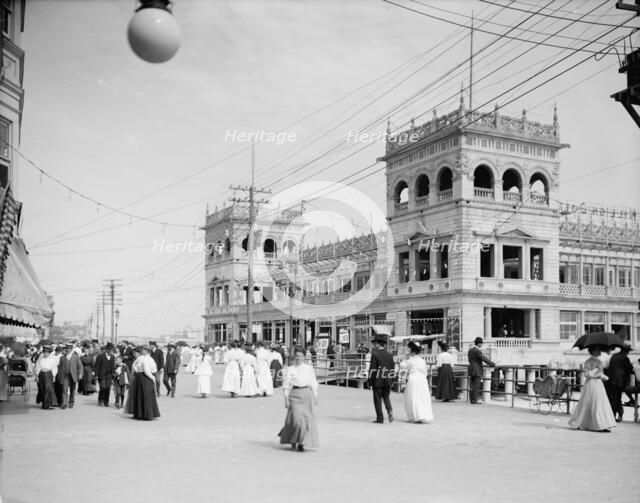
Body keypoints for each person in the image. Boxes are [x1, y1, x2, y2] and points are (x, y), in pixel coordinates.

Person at [279, 346, 319, 452]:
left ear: (304, 357)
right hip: (295, 395)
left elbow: (313, 382)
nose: (298, 358)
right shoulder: (290, 369)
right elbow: (286, 385)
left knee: (306, 420)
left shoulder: (309, 368)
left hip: (306, 395)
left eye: (300, 356)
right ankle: (293, 439)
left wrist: (315, 396)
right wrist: (286, 399)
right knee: (296, 421)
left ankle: (301, 442)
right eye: (296, 356)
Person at [569, 346, 616, 432]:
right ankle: (592, 424)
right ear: (593, 351)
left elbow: (600, 373)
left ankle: (603, 424)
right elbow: (587, 375)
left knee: (601, 403)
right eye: (598, 349)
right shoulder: (588, 362)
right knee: (591, 403)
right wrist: (596, 369)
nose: (599, 351)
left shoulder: (600, 362)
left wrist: (603, 376)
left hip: (599, 384)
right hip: (590, 384)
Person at [402, 341, 434, 423]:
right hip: (422, 379)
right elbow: (425, 372)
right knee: (422, 397)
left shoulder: (410, 360)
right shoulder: (422, 361)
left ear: (412, 351)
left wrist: (405, 358)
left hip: (413, 378)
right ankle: (423, 414)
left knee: (413, 396)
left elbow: (403, 366)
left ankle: (414, 415)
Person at [368, 334, 394, 424]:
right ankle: (389, 409)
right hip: (387, 379)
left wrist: (370, 381)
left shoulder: (375, 354)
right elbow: (392, 368)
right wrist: (392, 380)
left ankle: (380, 418)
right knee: (386, 396)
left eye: (375, 343)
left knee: (377, 399)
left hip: (377, 380)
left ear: (378, 344)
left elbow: (373, 369)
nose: (374, 345)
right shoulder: (389, 355)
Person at [128, 346, 160, 420]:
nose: (142, 351)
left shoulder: (141, 358)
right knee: (147, 396)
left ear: (146, 351)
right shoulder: (150, 359)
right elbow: (152, 370)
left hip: (140, 377)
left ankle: (139, 413)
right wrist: (152, 378)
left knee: (139, 395)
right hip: (147, 378)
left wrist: (134, 374)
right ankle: (148, 414)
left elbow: (134, 367)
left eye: (143, 350)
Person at [605, 343, 634, 423]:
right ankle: (616, 414)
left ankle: (615, 414)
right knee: (617, 398)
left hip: (611, 380)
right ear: (627, 351)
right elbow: (629, 370)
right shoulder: (625, 358)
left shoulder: (614, 356)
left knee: (613, 399)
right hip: (619, 381)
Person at [467, 337, 495, 404]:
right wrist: (492, 364)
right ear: (479, 344)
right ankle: (474, 400)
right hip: (477, 370)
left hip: (471, 369)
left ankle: (472, 399)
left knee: (472, 385)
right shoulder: (477, 351)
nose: (482, 345)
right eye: (481, 343)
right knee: (476, 385)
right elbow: (484, 359)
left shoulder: (470, 350)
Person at [58, 343, 83, 409]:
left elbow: (80, 366)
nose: (68, 350)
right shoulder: (62, 357)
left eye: (69, 348)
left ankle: (71, 402)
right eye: (67, 348)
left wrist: (80, 374)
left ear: (71, 349)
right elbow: (60, 368)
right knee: (64, 389)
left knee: (72, 390)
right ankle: (64, 403)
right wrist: (59, 376)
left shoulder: (75, 357)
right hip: (65, 376)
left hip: (72, 376)